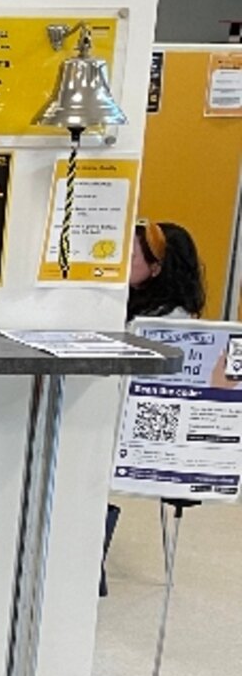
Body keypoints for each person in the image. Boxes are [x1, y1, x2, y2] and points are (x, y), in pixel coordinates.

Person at [104, 219, 207, 594]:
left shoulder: (165, 326)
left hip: (131, 441)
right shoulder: (136, 310)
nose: (120, 262)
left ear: (156, 268)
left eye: (130, 256)